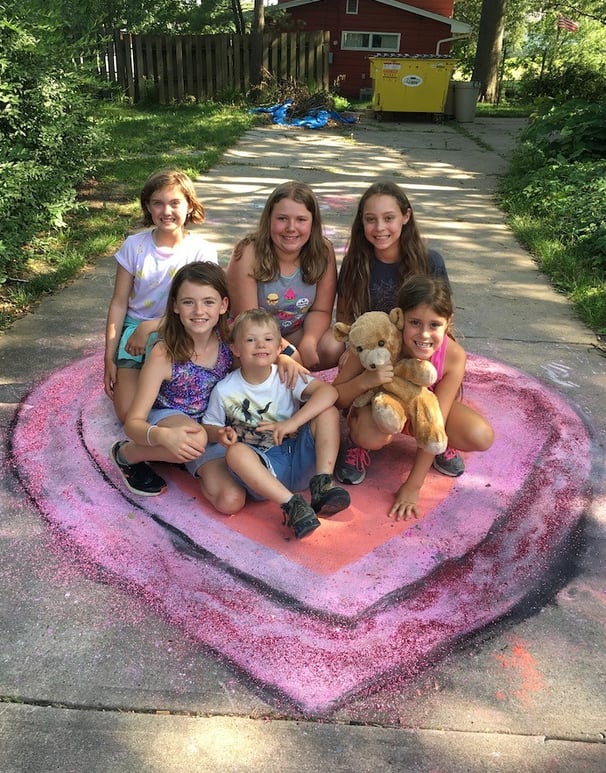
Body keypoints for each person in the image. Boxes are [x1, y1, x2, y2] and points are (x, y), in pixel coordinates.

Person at [111, 263, 306, 504]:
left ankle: (182, 458)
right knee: (195, 437)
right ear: (175, 306)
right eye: (188, 302)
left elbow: (279, 347)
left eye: (208, 302)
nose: (199, 310)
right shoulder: (164, 353)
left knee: (231, 499)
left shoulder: (228, 337)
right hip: (171, 417)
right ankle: (127, 454)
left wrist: (284, 358)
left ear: (223, 305)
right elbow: (134, 423)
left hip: (212, 425)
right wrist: (162, 436)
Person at [333, 274, 494, 520]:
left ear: (447, 323)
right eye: (415, 323)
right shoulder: (377, 336)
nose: (424, 334)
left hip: (424, 411)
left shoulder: (453, 356)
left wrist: (413, 486)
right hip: (380, 409)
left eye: (434, 325)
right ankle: (358, 444)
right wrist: (366, 381)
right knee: (370, 434)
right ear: (399, 318)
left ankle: (437, 446)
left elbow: (437, 417)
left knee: (481, 435)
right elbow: (336, 397)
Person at [332, 179, 460, 484]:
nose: (380, 228)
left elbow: (439, 317)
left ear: (406, 216)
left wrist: (437, 363)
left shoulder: (430, 261)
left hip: (417, 354)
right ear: (361, 222)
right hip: (374, 357)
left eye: (389, 218)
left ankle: (432, 434)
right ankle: (358, 440)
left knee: (475, 433)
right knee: (373, 428)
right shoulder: (355, 262)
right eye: (370, 219)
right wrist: (355, 365)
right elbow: (347, 320)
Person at [202, 308, 351, 539]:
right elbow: (209, 427)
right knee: (235, 453)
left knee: (328, 412)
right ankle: (293, 506)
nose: (260, 345)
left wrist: (293, 423)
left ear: (279, 348)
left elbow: (328, 393)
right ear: (236, 349)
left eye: (268, 339)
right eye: (251, 340)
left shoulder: (286, 374)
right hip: (264, 471)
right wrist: (220, 434)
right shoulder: (224, 389)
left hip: (298, 457)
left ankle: (322, 484)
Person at [104, 168, 218, 424]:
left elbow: (204, 309)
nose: (166, 211)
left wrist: (152, 327)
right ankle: (152, 397)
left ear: (190, 206)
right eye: (158, 203)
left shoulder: (202, 251)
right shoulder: (134, 246)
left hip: (185, 327)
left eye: (175, 203)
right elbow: (119, 303)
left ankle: (162, 402)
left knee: (194, 402)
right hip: (135, 332)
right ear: (147, 206)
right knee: (127, 415)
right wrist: (109, 358)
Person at [226, 181, 338, 371]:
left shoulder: (323, 251)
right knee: (288, 362)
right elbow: (248, 320)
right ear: (269, 218)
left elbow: (321, 310)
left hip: (295, 331)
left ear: (313, 222)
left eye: (301, 220)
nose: (291, 228)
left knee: (333, 346)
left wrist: (309, 341)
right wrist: (289, 353)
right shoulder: (248, 252)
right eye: (282, 218)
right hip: (252, 335)